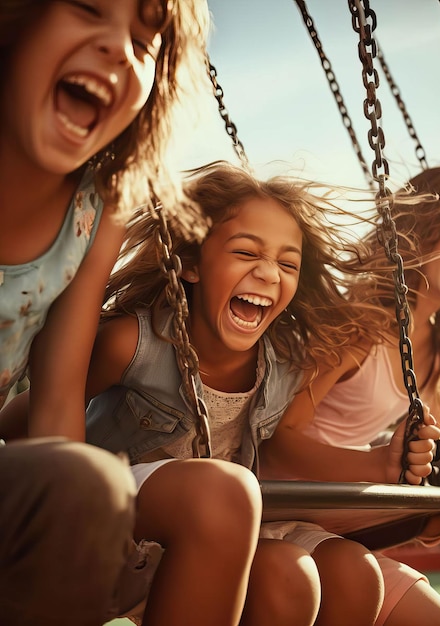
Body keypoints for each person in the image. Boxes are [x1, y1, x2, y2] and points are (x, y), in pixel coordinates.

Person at [85, 161, 440, 626]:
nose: (270, 274)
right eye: (247, 253)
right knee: (223, 491)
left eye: (287, 263)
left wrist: (382, 463)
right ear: (190, 264)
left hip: (225, 526)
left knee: (341, 573)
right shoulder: (132, 344)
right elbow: (35, 416)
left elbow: (281, 448)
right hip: (119, 514)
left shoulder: (285, 365)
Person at [0, 2, 227, 625]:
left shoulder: (94, 211)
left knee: (83, 489)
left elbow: (56, 405)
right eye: (88, 8)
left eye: (145, 38)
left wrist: (77, 524)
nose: (118, 48)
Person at [260, 165, 440, 624]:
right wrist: (375, 468)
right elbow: (276, 435)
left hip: (348, 514)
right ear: (418, 228)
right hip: (286, 500)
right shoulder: (361, 321)